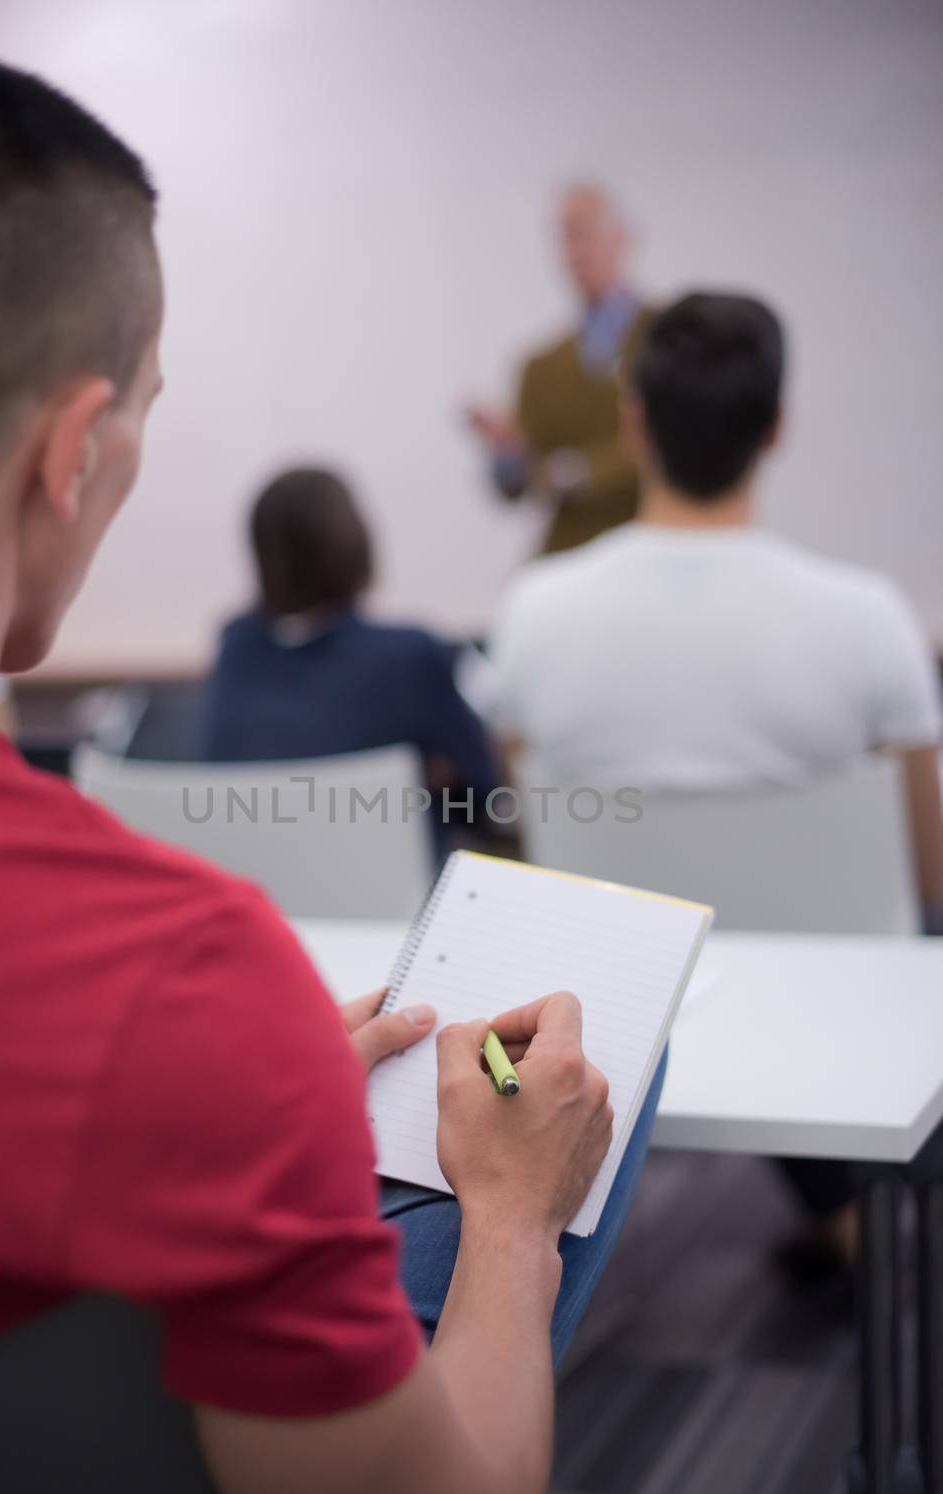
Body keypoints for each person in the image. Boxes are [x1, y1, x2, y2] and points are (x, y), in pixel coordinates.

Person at [0, 55, 663, 1494]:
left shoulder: (209, 801)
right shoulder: (180, 975)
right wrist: (506, 1219)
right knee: (547, 1084)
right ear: (71, 448)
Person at [491, 290, 943, 1263]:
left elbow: (530, 823)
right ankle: (866, 1215)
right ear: (776, 429)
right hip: (836, 1020)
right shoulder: (869, 620)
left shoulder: (534, 613)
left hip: (610, 1000)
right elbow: (927, 874)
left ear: (633, 423)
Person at [200, 465, 499, 807]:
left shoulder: (236, 646)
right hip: (391, 859)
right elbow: (484, 794)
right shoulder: (409, 654)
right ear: (355, 543)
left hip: (251, 859)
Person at [466, 184, 649, 555]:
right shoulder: (540, 366)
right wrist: (507, 452)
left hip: (647, 542)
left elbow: (685, 444)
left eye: (585, 234)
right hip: (569, 553)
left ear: (621, 238)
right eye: (565, 239)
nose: (574, 252)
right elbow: (516, 488)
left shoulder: (669, 337)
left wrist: (579, 471)